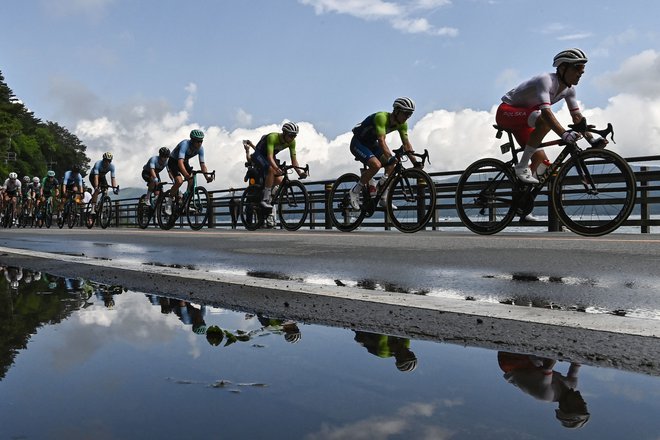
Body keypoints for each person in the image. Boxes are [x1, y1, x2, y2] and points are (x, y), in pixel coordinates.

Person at [495, 48, 605, 220]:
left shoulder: (569, 90)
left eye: (582, 69)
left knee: (540, 161)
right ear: (562, 68)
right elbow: (546, 113)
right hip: (507, 112)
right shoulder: (545, 81)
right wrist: (564, 134)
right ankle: (521, 166)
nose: (581, 72)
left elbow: (577, 117)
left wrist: (592, 139)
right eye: (577, 68)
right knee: (544, 121)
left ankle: (523, 203)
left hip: (527, 118)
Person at [348, 97, 420, 211]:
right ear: (396, 111)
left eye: (410, 114)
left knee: (394, 163)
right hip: (358, 142)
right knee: (376, 165)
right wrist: (389, 157)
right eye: (405, 113)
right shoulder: (381, 117)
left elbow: (407, 145)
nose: (407, 117)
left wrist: (416, 163)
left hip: (371, 144)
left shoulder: (402, 125)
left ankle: (383, 197)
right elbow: (381, 141)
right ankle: (354, 191)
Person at [498, 351, 590, 429]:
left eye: (579, 405)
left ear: (565, 407)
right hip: (526, 362)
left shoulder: (547, 396)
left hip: (511, 363)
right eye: (584, 404)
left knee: (544, 355)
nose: (582, 401)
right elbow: (577, 362)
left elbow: (549, 364)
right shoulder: (571, 385)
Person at [247, 122, 307, 209]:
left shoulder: (292, 142)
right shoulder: (273, 137)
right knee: (271, 169)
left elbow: (294, 161)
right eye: (291, 135)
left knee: (280, 180)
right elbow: (270, 157)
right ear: (284, 133)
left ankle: (266, 191)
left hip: (269, 156)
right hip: (259, 154)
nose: (292, 138)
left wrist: (300, 173)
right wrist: (276, 168)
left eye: (295, 136)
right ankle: (265, 199)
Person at [166, 129, 213, 213]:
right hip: (174, 161)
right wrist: (186, 175)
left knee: (192, 181)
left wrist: (207, 177)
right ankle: (168, 203)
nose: (199, 143)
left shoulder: (201, 149)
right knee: (179, 181)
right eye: (198, 141)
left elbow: (202, 164)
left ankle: (186, 204)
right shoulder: (185, 144)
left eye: (201, 141)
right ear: (192, 140)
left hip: (184, 162)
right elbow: (180, 162)